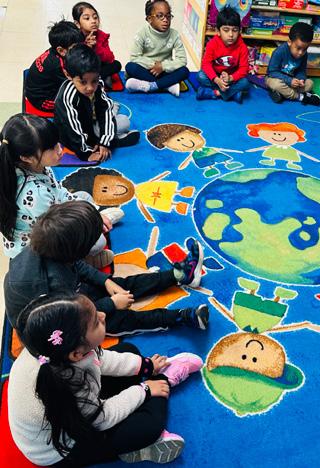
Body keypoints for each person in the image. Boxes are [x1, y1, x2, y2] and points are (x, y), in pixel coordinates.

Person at [8, 293, 203, 465]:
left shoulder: (49, 348)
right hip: (61, 450)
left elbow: (99, 359)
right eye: (95, 322)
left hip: (76, 408)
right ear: (76, 353)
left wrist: (147, 366)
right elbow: (102, 418)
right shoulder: (69, 383)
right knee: (149, 427)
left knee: (128, 351)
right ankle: (165, 379)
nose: (102, 315)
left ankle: (133, 439)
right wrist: (146, 389)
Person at [4, 200, 209, 337]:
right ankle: (181, 317)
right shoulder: (51, 282)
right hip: (59, 323)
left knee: (124, 284)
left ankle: (180, 275)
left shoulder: (53, 248)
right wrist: (111, 303)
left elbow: (77, 265)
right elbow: (73, 316)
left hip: (71, 295)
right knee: (124, 320)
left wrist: (106, 281)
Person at [0, 113, 122, 265]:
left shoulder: (32, 166)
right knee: (99, 242)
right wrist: (92, 222)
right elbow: (56, 234)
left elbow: (58, 191)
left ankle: (96, 220)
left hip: (48, 215)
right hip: (41, 246)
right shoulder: (37, 195)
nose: (60, 150)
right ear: (27, 157)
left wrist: (92, 214)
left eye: (57, 143)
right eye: (52, 148)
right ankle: (81, 264)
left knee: (84, 197)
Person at [54, 44, 140, 162]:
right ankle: (116, 141)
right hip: (72, 135)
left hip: (91, 121)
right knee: (121, 120)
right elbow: (72, 129)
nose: (90, 88)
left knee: (122, 119)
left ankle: (108, 137)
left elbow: (105, 111)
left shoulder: (98, 84)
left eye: (94, 81)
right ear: (68, 75)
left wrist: (104, 142)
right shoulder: (68, 97)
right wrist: (86, 153)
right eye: (83, 82)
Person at [125, 0, 189, 97]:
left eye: (168, 16)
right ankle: (167, 86)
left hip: (165, 71)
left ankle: (151, 86)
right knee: (130, 67)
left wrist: (163, 66)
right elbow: (134, 57)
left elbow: (182, 60)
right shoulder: (142, 33)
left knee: (184, 71)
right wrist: (154, 65)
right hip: (148, 70)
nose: (165, 20)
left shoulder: (174, 35)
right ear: (149, 19)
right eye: (160, 16)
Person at [24, 21, 84, 114]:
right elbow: (73, 84)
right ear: (61, 50)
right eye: (76, 47)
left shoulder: (55, 51)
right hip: (42, 100)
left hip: (38, 86)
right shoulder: (57, 65)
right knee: (78, 101)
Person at [196, 6, 251, 103]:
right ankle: (232, 94)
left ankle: (215, 93)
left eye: (235, 30)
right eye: (226, 30)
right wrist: (217, 80)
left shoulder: (242, 47)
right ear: (218, 31)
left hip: (232, 77)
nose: (231, 35)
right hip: (215, 75)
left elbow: (244, 69)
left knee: (245, 83)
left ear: (240, 31)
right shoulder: (212, 44)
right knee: (200, 75)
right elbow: (206, 64)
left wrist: (230, 78)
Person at [265, 22, 320, 106]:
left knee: (310, 83)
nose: (301, 53)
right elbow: (272, 72)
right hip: (276, 78)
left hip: (293, 81)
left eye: (305, 49)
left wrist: (301, 80)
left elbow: (301, 71)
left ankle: (283, 94)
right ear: (289, 42)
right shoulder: (279, 52)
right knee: (275, 84)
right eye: (298, 48)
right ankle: (300, 97)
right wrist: (289, 80)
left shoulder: (304, 54)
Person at [72, 2, 122, 88]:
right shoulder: (74, 37)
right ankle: (99, 79)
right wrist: (87, 46)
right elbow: (75, 61)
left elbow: (110, 58)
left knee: (116, 64)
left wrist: (96, 46)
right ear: (77, 24)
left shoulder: (101, 35)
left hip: (98, 66)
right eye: (87, 18)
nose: (93, 21)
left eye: (95, 17)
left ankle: (97, 78)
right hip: (82, 68)